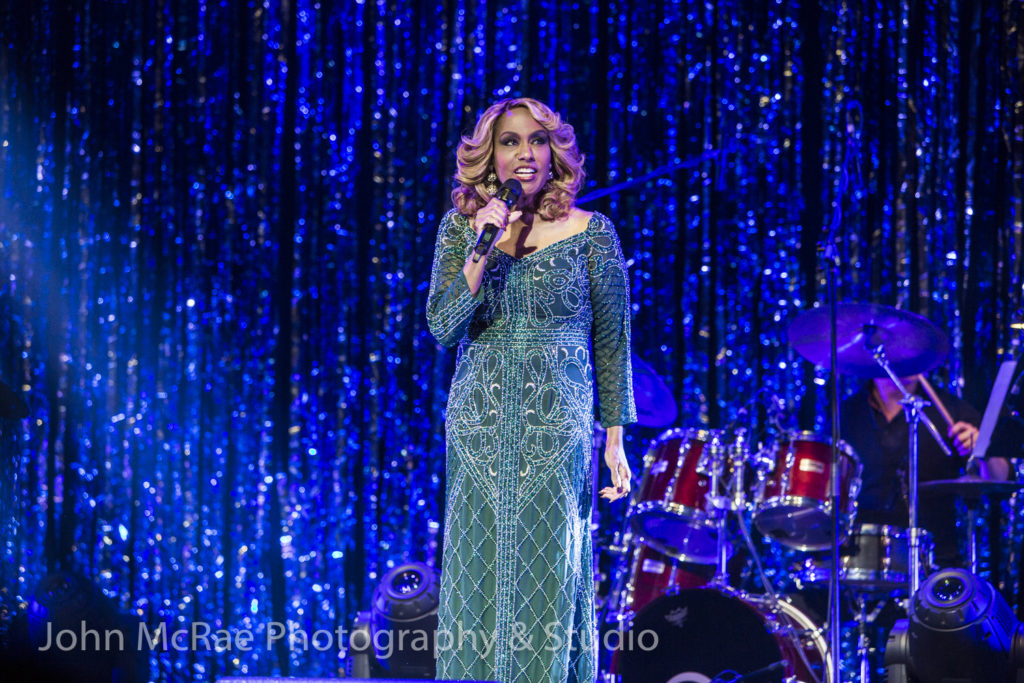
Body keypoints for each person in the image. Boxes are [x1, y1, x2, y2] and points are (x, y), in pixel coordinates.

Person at [426, 97, 636, 683]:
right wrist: (481, 243)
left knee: (548, 574)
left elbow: (613, 340)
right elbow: (443, 327)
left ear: (555, 152)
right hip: (479, 426)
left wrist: (614, 437)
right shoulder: (461, 230)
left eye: (537, 141)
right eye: (511, 142)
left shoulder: (593, 233)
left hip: (558, 426)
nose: (526, 154)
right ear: (489, 155)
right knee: (476, 576)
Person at [840, 374, 1010, 567]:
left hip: (935, 558)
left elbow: (1001, 478)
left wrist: (982, 450)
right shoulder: (846, 414)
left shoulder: (951, 410)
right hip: (859, 558)